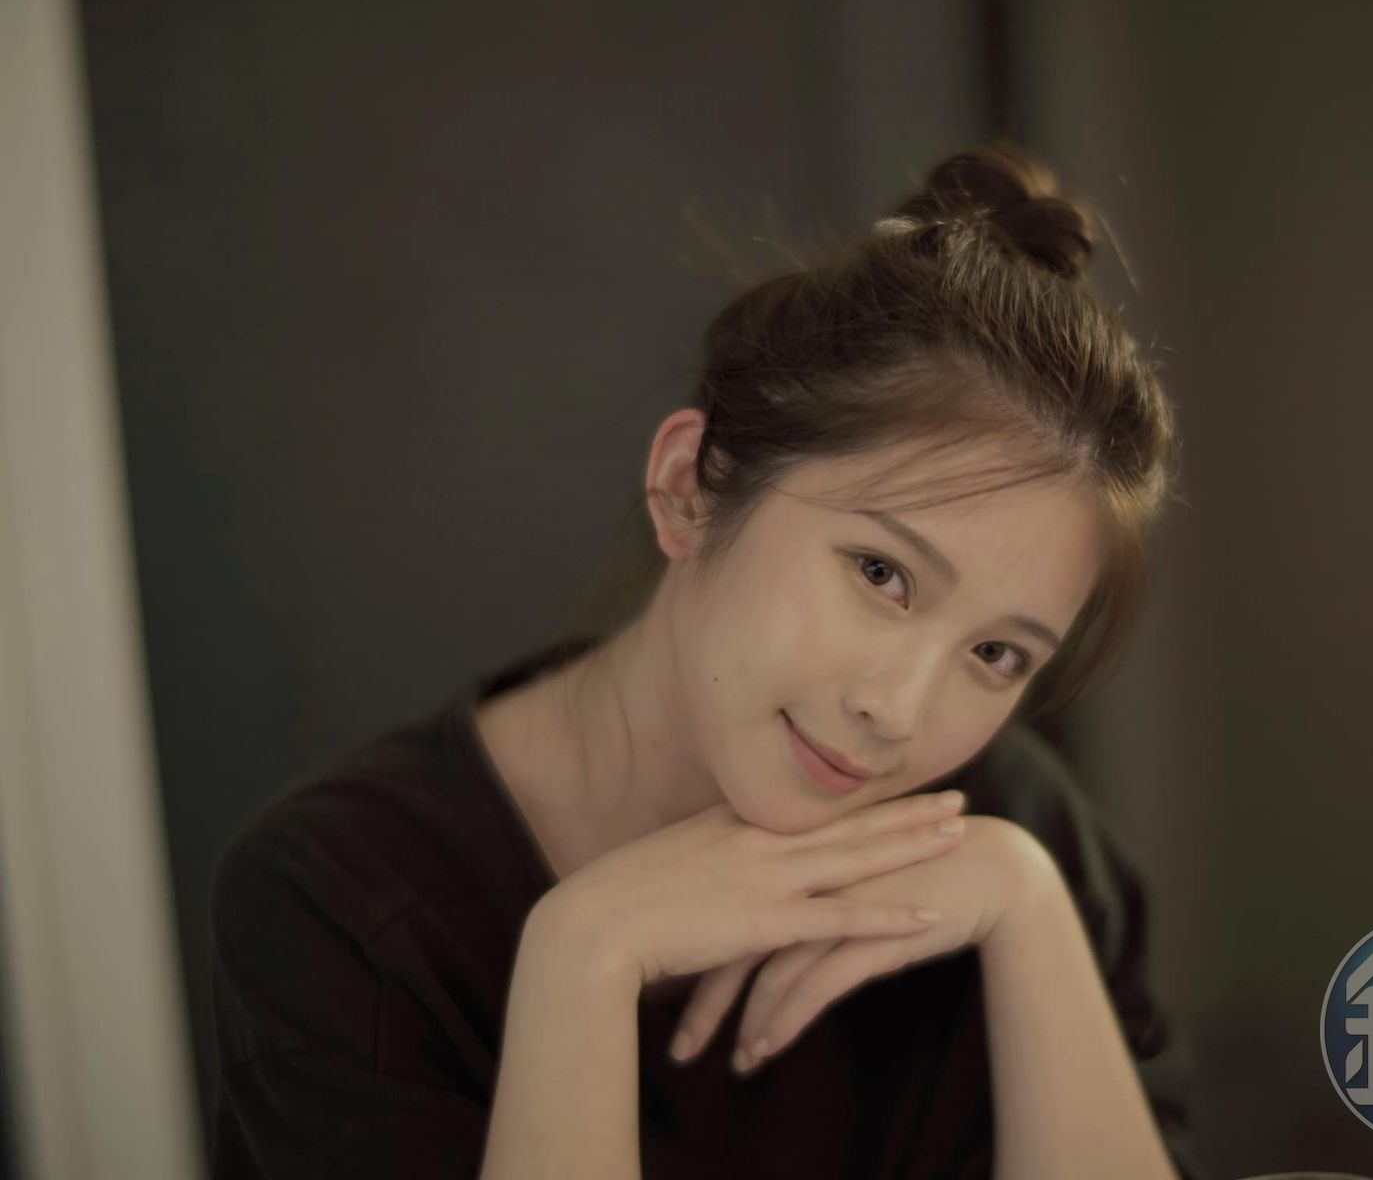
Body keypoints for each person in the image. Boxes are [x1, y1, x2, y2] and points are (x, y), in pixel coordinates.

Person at [207, 142, 1209, 1179]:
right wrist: (582, 960)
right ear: (689, 485)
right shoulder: (339, 899)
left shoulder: (1015, 833)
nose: (900, 712)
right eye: (882, 574)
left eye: (996, 653)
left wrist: (1028, 914)